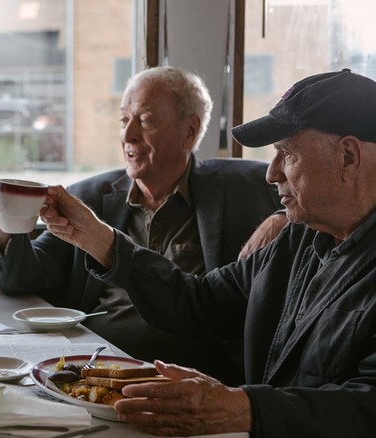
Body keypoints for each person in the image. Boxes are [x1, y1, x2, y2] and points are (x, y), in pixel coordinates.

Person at [38, 68, 376, 437]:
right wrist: (99, 240)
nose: (272, 173)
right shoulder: (297, 239)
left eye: (287, 154)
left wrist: (244, 410)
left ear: (347, 156)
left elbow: (365, 405)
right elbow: (201, 302)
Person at [0, 66, 285, 383]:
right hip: (96, 365)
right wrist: (3, 229)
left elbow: (315, 199)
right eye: (124, 120)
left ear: (189, 131)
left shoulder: (244, 186)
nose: (128, 136)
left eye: (146, 120)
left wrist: (283, 218)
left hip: (194, 375)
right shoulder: (89, 197)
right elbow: (23, 278)